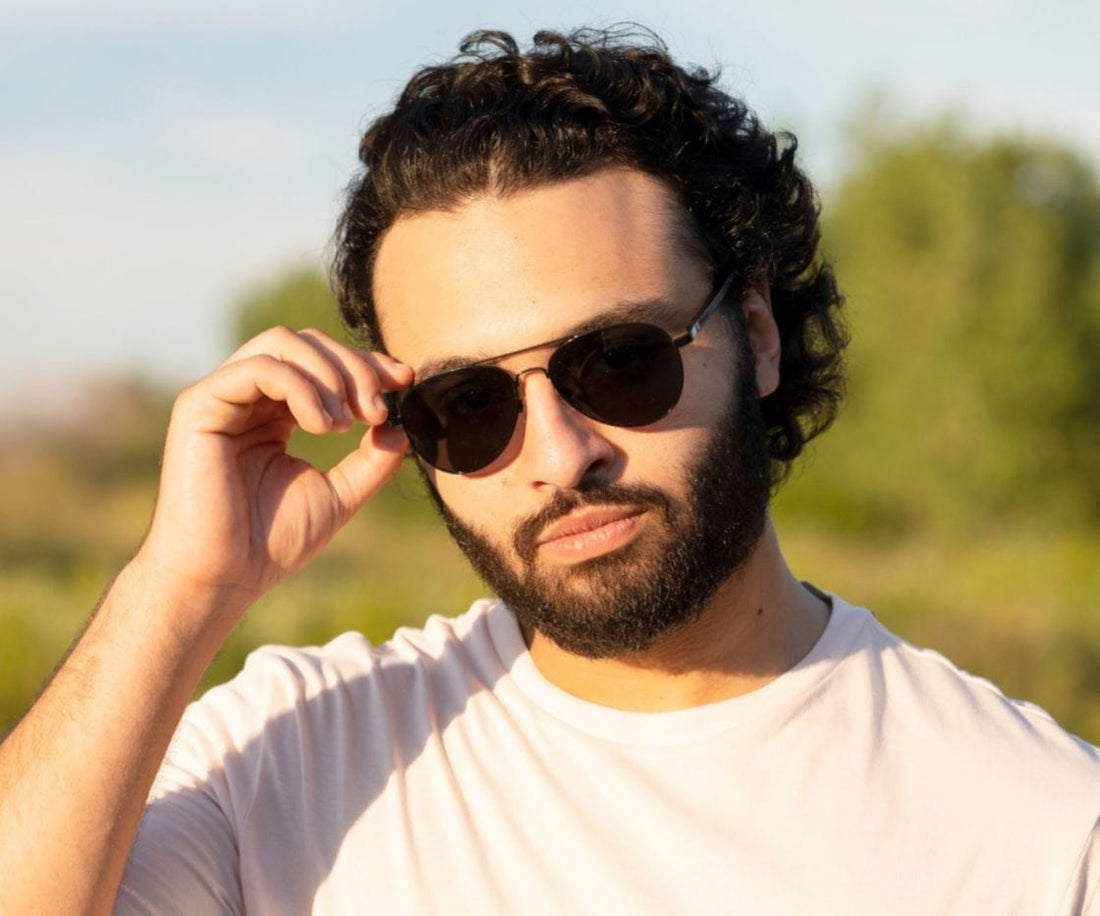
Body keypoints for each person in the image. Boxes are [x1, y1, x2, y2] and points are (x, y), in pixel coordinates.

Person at [2, 26, 1098, 915]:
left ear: (756, 334)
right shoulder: (286, 756)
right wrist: (176, 590)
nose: (559, 456)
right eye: (469, 405)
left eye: (617, 364)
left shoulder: (1040, 833)